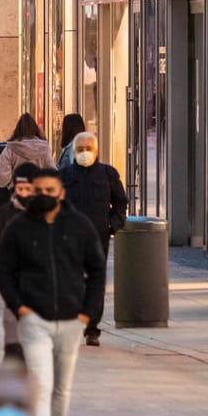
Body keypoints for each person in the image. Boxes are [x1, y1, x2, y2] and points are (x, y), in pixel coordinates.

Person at [0, 167, 105, 416]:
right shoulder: (19, 229)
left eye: (49, 191)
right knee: (41, 384)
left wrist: (86, 313)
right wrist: (21, 309)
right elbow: (4, 272)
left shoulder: (79, 227)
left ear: (61, 194)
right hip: (35, 320)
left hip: (71, 320)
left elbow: (97, 270)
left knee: (62, 388)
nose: (43, 196)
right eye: (38, 191)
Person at [59, 131, 128, 346]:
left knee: (96, 282)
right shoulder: (65, 176)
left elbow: (120, 202)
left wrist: (114, 224)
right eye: (80, 149)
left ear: (96, 151)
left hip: (98, 237)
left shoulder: (107, 174)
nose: (85, 153)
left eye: (89, 149)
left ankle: (92, 328)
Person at [0, 164, 40, 362]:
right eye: (20, 189)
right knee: (12, 325)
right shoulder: (4, 214)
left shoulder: (46, 214)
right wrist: (2, 258)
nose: (24, 194)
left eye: (29, 189)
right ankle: (13, 361)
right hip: (14, 281)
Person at [0, 114, 55, 188]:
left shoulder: (11, 148)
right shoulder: (43, 149)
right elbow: (52, 173)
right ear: (35, 129)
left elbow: (2, 176)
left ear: (18, 129)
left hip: (18, 190)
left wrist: (11, 184)